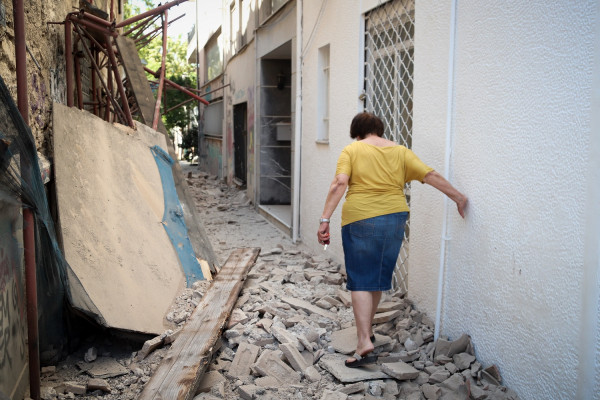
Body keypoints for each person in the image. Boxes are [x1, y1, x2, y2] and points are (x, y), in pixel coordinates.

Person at [317, 112, 467, 368]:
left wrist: (325, 219)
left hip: (361, 218)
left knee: (360, 282)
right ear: (379, 130)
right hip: (394, 219)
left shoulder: (352, 150)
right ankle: (367, 332)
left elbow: (339, 184)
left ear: (357, 132)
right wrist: (459, 198)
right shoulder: (401, 152)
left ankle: (364, 340)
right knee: (375, 279)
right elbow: (430, 175)